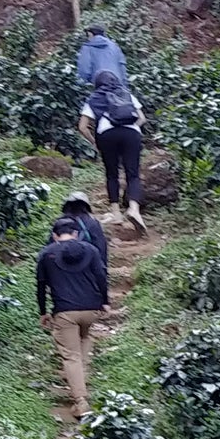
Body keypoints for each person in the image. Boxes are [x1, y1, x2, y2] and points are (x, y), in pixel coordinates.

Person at [35, 213, 109, 415]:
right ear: (76, 233)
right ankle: (81, 381)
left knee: (71, 356)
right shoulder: (91, 250)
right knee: (84, 340)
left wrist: (43, 311)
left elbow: (41, 286)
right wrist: (105, 301)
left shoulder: (47, 254)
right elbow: (101, 276)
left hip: (65, 311)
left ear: (55, 235)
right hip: (91, 309)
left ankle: (81, 401)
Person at [80, 69, 146, 233]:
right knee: (133, 173)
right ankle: (134, 210)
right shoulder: (126, 94)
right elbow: (142, 118)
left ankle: (116, 214)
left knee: (112, 174)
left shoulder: (93, 98)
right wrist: (131, 129)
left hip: (107, 135)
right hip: (131, 133)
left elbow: (82, 127)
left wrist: (95, 141)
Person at [59, 188, 108, 279]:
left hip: (64, 270)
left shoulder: (60, 222)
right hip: (87, 269)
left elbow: (50, 247)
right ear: (86, 207)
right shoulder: (93, 223)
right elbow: (101, 249)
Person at [76, 20, 131, 93]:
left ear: (90, 34)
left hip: (98, 88)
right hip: (117, 87)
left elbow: (84, 69)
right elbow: (122, 67)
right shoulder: (115, 46)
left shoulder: (87, 48)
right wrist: (125, 87)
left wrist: (82, 85)